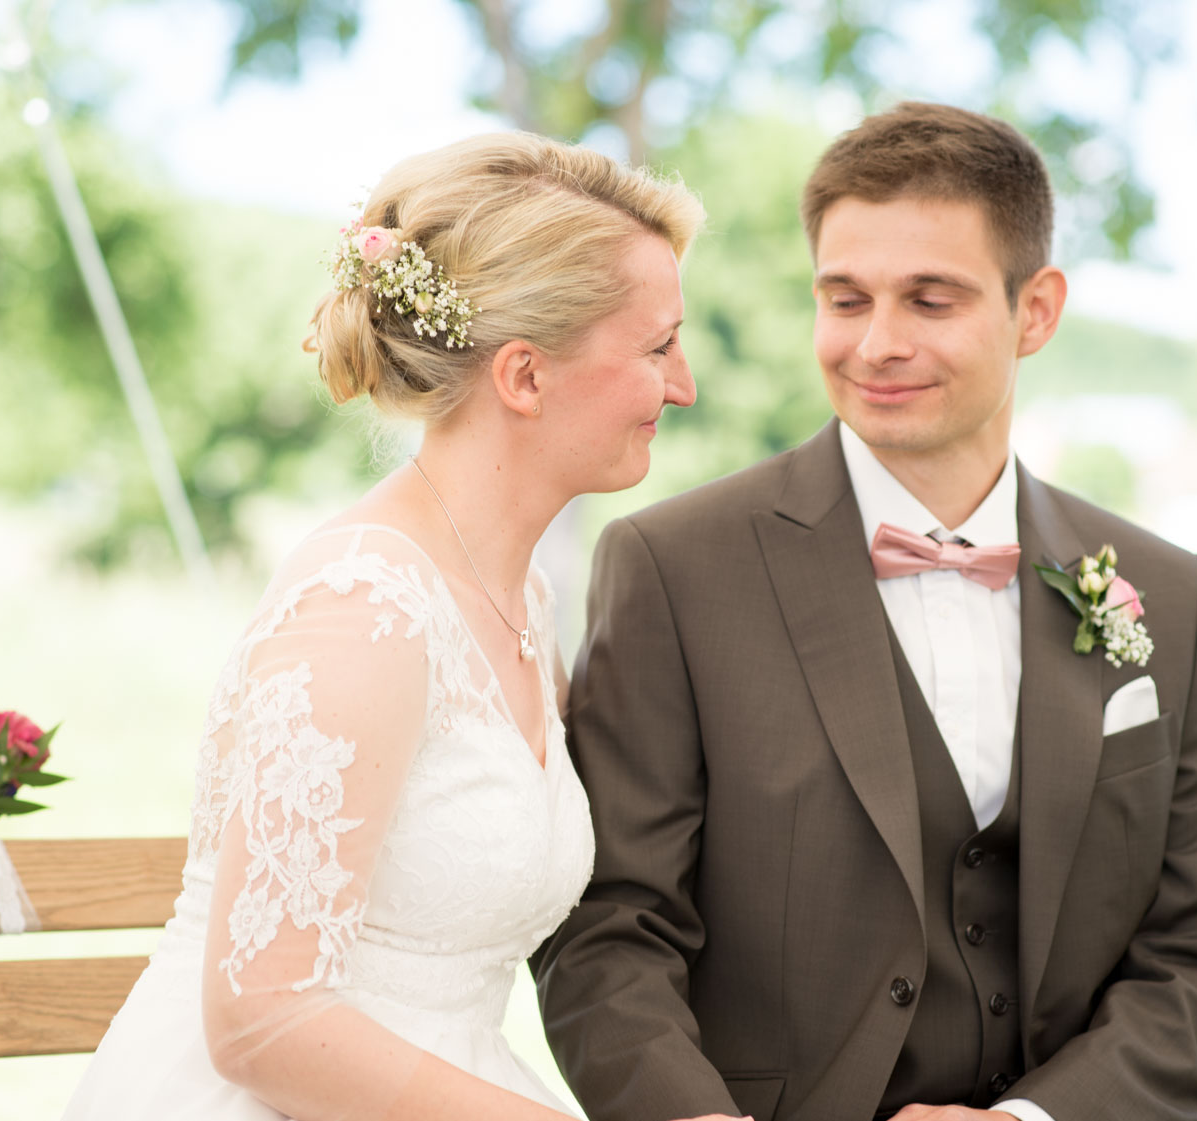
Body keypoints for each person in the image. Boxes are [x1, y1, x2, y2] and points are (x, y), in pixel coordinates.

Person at [534, 102, 1197, 1121]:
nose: (877, 343)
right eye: (846, 299)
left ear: (1036, 310)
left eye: (931, 300)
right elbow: (608, 929)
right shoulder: (672, 569)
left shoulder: (1167, 588)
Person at [62, 132, 733, 1121]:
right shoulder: (363, 606)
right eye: (656, 346)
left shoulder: (520, 598)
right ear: (524, 376)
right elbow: (259, 1024)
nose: (682, 384)